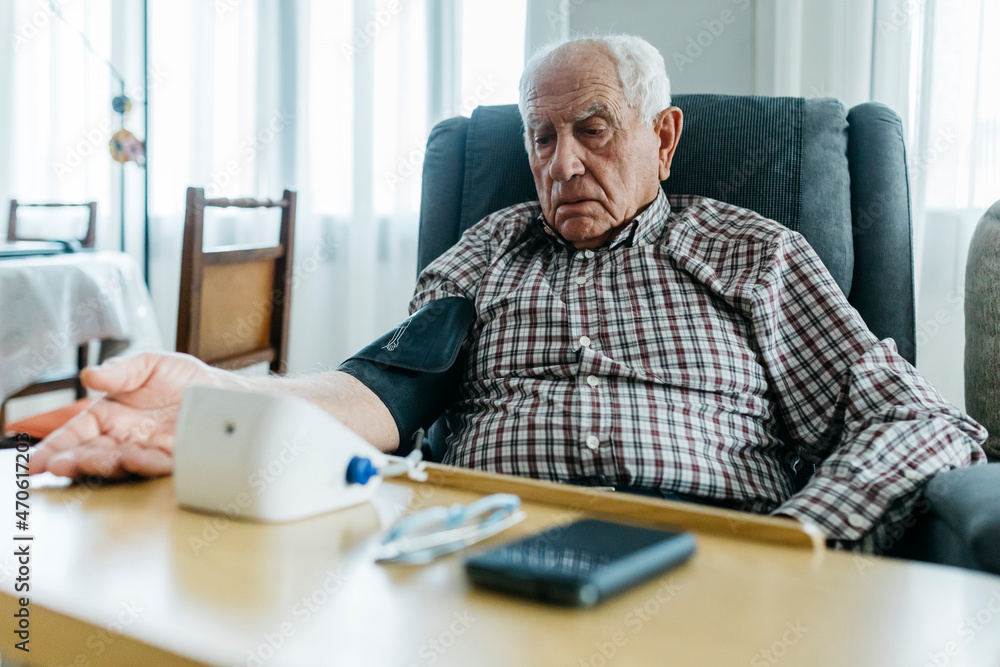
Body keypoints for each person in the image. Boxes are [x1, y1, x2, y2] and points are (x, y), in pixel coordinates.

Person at [29, 35, 985, 552]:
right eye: (541, 136)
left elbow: (918, 419)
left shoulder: (755, 254)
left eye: (593, 130)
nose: (561, 163)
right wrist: (226, 395)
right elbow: (393, 382)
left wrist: (796, 538)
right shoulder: (490, 248)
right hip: (484, 547)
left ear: (663, 137)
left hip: (714, 547)